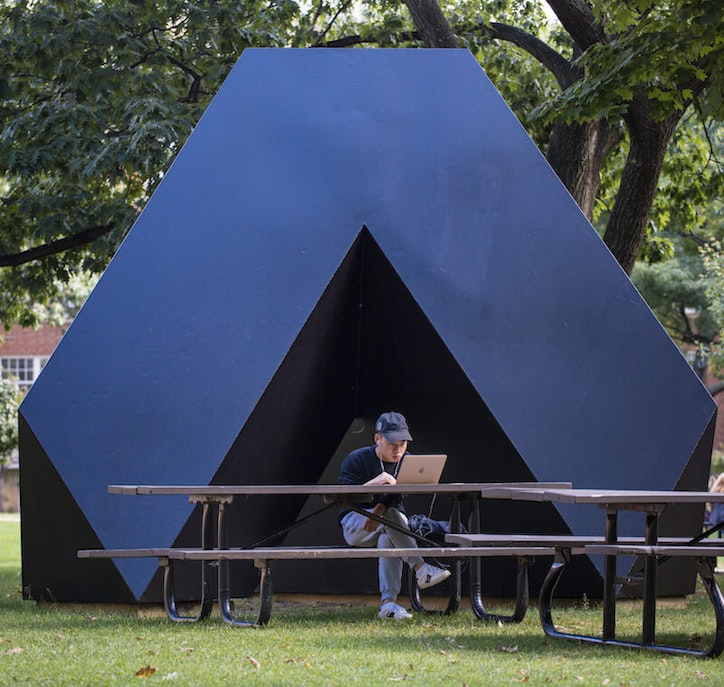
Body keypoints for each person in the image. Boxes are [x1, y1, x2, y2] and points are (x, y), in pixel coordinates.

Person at [338, 411, 451, 620]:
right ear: (377, 439)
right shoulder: (356, 459)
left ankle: (388, 605)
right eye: (392, 443)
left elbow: (396, 500)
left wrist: (378, 512)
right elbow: (343, 499)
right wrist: (374, 485)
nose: (398, 449)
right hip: (355, 524)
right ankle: (420, 568)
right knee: (393, 521)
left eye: (403, 443)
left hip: (388, 524)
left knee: (388, 538)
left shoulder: (407, 461)